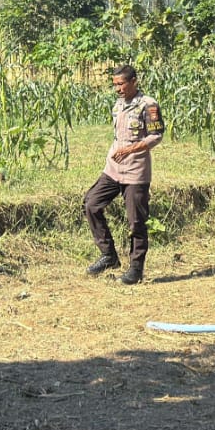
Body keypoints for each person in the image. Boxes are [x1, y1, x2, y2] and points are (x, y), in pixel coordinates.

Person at [83, 64, 164, 285]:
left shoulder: (148, 105)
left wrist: (130, 150)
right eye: (115, 85)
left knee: (136, 222)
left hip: (136, 171)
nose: (118, 89)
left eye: (121, 84)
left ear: (134, 81)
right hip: (113, 169)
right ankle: (108, 255)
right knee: (91, 204)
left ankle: (135, 270)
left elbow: (156, 136)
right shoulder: (118, 104)